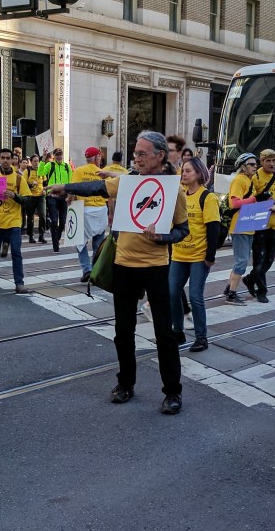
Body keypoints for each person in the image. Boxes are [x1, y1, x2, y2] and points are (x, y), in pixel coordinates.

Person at [47, 130, 189, 415]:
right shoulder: (128, 182)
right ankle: (125, 383)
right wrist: (65, 187)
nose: (136, 159)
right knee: (123, 331)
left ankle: (172, 391)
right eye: (135, 153)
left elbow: (182, 230)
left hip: (156, 267)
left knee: (164, 333)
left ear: (160, 156)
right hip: (124, 265)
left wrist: (164, 237)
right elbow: (98, 188)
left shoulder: (174, 190)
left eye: (142, 154)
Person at [170, 158, 220, 352]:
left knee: (195, 296)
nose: (183, 174)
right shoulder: (179, 194)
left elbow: (213, 228)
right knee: (172, 292)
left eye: (188, 171)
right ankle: (178, 332)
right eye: (183, 170)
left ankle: (201, 338)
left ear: (199, 173)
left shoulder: (207, 197)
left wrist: (210, 256)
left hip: (199, 256)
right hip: (178, 254)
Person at [0, 148, 32, 294]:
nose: (5, 160)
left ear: (12, 160)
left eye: (7, 158)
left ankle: (19, 283)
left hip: (13, 221)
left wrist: (14, 196)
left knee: (16, 252)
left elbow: (27, 200)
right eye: (2, 158)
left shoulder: (18, 178)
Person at [243, 149, 275, 304]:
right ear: (261, 161)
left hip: (274, 225)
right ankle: (262, 291)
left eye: (274, 160)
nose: (272, 164)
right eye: (268, 161)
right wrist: (264, 200)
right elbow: (252, 199)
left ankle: (250, 279)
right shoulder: (255, 177)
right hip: (259, 225)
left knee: (269, 260)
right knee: (259, 261)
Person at [223, 153, 261, 305]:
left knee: (241, 261)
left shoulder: (250, 180)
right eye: (251, 164)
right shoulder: (239, 180)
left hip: (248, 225)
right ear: (243, 166)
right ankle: (231, 295)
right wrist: (255, 199)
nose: (255, 166)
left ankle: (229, 289)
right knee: (241, 262)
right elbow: (234, 203)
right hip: (239, 226)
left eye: (255, 164)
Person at [70, 147, 108, 282]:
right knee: (98, 244)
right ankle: (95, 271)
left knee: (79, 242)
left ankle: (87, 269)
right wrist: (111, 214)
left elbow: (72, 191)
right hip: (100, 210)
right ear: (97, 157)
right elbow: (109, 194)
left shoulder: (79, 171)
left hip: (84, 211)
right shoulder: (103, 172)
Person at [39, 148, 73, 252]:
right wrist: (43, 159)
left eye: (60, 154)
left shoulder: (67, 166)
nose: (59, 156)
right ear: (54, 156)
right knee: (54, 221)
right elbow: (40, 173)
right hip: (52, 195)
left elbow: (70, 181)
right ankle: (55, 245)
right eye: (57, 155)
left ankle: (56, 238)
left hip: (63, 196)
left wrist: (70, 194)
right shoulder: (50, 165)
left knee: (63, 222)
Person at [23, 155, 47, 244]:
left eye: (37, 161)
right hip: (31, 196)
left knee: (43, 215)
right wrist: (31, 185)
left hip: (40, 196)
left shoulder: (42, 171)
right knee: (30, 217)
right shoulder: (27, 171)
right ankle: (31, 235)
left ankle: (41, 235)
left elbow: (45, 183)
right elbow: (23, 184)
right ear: (31, 162)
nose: (36, 163)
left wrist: (45, 190)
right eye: (35, 161)